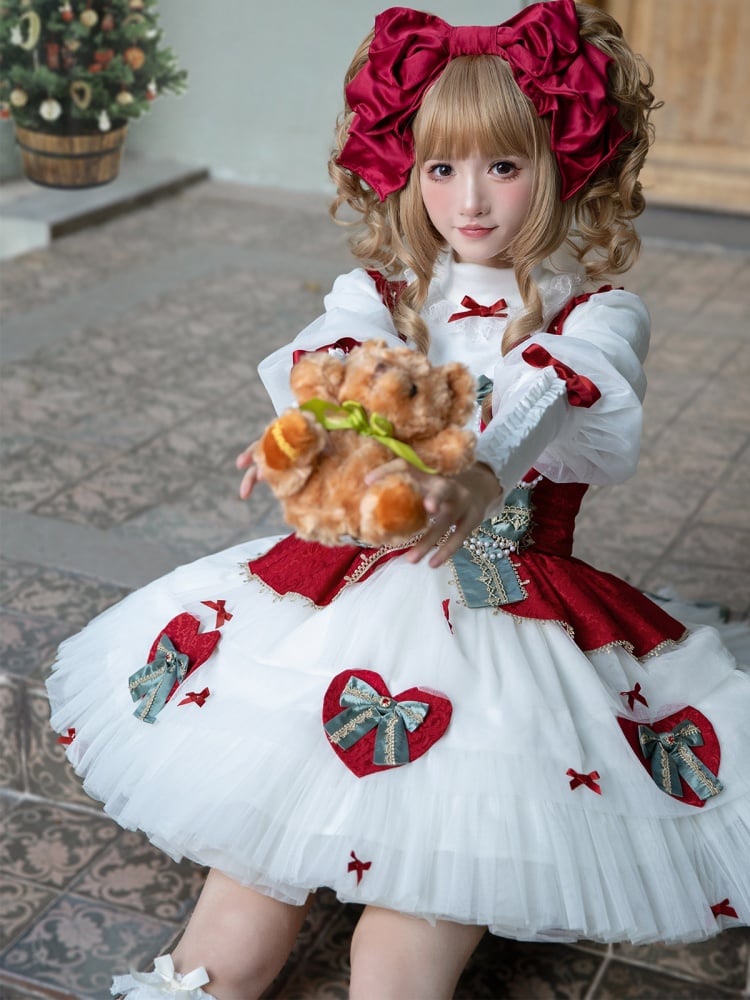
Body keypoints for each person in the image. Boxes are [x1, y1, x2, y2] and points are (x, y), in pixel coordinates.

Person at [46, 3, 750, 999]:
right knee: (234, 928)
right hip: (343, 601)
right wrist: (310, 438)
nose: (470, 200)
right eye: (441, 167)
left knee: (397, 954)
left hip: (514, 626)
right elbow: (332, 368)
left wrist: (473, 471)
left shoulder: (600, 314)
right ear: (407, 171)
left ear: (559, 167)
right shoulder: (383, 292)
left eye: (503, 167)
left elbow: (546, 391)